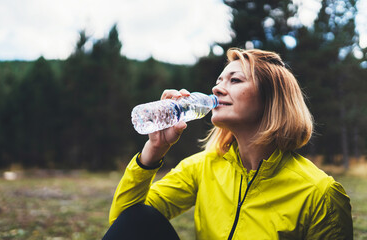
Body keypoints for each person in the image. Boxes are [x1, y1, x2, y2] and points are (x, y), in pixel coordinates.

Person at [103, 48, 353, 239]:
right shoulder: (202, 167)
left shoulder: (320, 193)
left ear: (272, 99)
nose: (217, 88)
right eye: (220, 81)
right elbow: (126, 223)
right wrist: (153, 151)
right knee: (142, 215)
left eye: (235, 80)